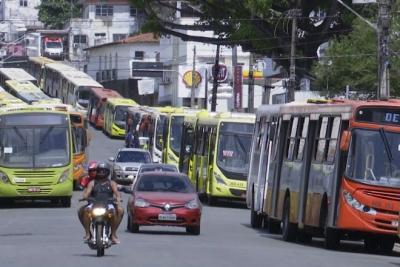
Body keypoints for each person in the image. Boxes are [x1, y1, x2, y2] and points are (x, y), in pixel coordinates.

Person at [79, 162, 124, 244]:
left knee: (118, 210)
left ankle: (113, 234)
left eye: (104, 171)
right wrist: (84, 196)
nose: (101, 173)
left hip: (108, 203)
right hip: (94, 203)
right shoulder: (92, 182)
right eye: (100, 171)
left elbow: (117, 193)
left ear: (107, 172)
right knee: (84, 210)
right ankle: (88, 233)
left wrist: (118, 198)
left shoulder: (112, 183)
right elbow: (87, 192)